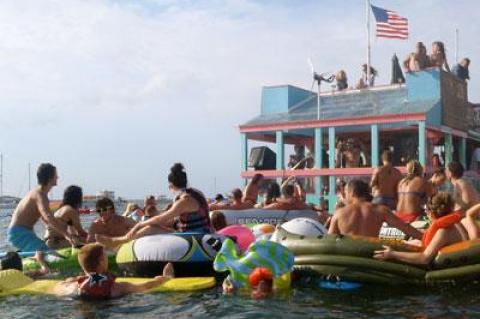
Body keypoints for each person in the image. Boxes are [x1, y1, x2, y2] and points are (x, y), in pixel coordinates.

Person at [96, 163, 211, 248]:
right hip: (202, 232)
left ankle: (120, 241)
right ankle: (122, 240)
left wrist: (139, 226)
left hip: (196, 237)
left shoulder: (184, 201)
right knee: (153, 225)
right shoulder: (196, 193)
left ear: (171, 186)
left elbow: (161, 218)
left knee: (150, 228)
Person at [7, 163, 74, 274]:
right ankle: (38, 272)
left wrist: (61, 234)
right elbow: (48, 217)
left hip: (24, 233)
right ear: (49, 178)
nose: (58, 177)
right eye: (56, 175)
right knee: (48, 254)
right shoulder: (39, 195)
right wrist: (67, 235)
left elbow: (47, 220)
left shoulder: (42, 195)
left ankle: (29, 262)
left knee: (44, 252)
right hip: (19, 234)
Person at [374, 192, 468, 265]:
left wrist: (392, 254)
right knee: (413, 242)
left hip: (434, 266)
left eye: (426, 211)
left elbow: (424, 259)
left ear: (431, 213)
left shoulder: (442, 232)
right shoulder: (456, 224)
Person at [54, 243, 174, 299]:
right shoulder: (116, 287)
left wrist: (73, 279)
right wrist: (165, 278)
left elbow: (57, 287)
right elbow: (145, 286)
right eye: (105, 256)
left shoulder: (73, 286)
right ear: (101, 261)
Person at [328, 179, 422, 239]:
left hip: (348, 259)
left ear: (352, 192)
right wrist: (425, 237)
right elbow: (405, 228)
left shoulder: (339, 213)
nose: (345, 196)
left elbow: (329, 240)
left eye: (346, 192)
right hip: (370, 257)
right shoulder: (380, 210)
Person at [44, 185, 88, 249]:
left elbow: (72, 230)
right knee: (89, 241)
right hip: (55, 243)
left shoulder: (61, 209)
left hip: (49, 242)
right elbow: (81, 232)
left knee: (78, 238)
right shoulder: (71, 210)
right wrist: (94, 236)